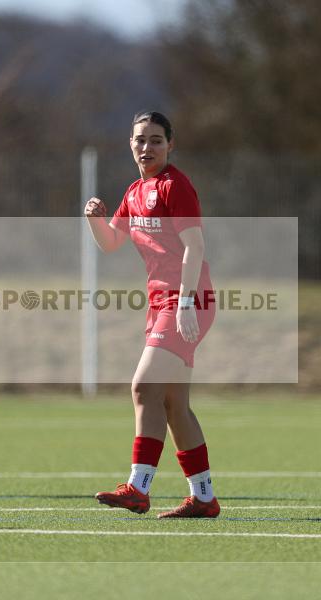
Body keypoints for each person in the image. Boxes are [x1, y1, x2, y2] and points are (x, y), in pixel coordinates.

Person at [85, 111, 219, 518]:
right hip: (161, 303)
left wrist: (183, 303)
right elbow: (110, 243)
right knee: (175, 404)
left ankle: (138, 488)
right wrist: (93, 220)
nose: (148, 147)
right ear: (130, 144)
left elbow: (195, 247)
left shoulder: (175, 186)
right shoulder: (134, 192)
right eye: (141, 140)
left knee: (144, 387)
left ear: (170, 145)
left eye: (157, 140)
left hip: (187, 301)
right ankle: (204, 498)